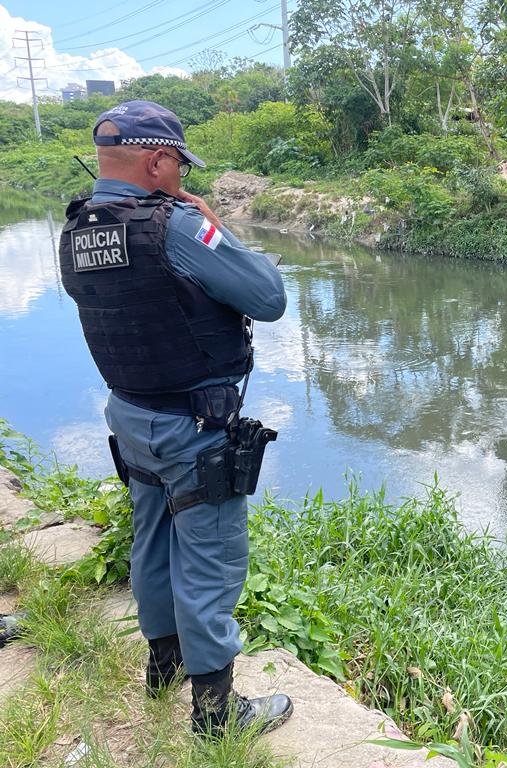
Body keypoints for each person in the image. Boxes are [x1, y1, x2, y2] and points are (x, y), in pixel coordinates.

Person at [57, 101, 291, 736]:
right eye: (178, 162)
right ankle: (217, 716)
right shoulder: (177, 226)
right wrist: (219, 230)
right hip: (194, 427)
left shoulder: (78, 227)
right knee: (211, 561)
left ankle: (164, 667)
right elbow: (269, 298)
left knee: (152, 542)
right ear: (157, 159)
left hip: (129, 415)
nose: (182, 175)